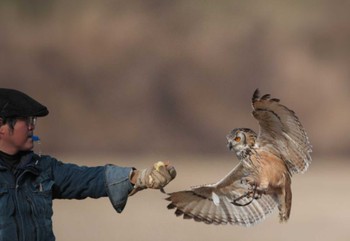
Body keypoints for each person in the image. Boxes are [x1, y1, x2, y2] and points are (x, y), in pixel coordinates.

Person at [0, 88, 176, 241]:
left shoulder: (42, 169)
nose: (32, 127)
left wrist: (139, 177)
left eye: (33, 122)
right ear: (2, 124)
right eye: (27, 121)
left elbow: (87, 179)